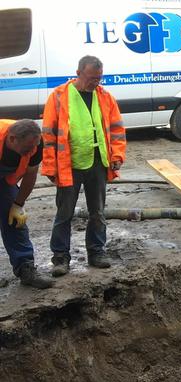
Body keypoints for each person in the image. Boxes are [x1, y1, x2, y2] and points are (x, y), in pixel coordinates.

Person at [42, 55, 127, 277]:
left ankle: (96, 252)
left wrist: (117, 155)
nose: (95, 82)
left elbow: (117, 130)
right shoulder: (59, 96)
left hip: (98, 162)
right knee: (64, 213)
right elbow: (49, 135)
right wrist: (50, 167)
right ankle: (60, 257)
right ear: (78, 73)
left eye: (99, 78)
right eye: (91, 78)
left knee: (97, 211)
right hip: (69, 164)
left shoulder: (105, 97)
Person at [0, 120, 55, 289]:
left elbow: (30, 174)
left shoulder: (34, 144)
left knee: (15, 221)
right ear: (12, 139)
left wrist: (18, 204)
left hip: (4, 179)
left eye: (34, 147)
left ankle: (25, 268)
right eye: (27, 149)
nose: (32, 151)